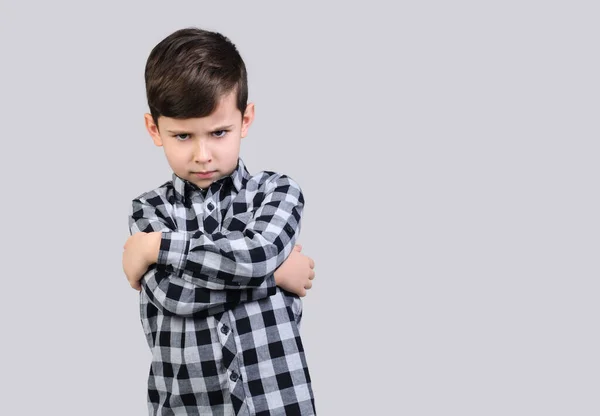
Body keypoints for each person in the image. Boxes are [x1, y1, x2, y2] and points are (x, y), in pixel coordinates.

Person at [122, 27, 317, 416]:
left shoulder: (277, 192)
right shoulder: (149, 210)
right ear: (153, 129)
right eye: (182, 136)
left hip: (277, 402)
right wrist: (273, 278)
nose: (202, 154)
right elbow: (173, 295)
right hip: (186, 405)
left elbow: (260, 252)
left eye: (219, 132)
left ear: (246, 120)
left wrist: (158, 247)